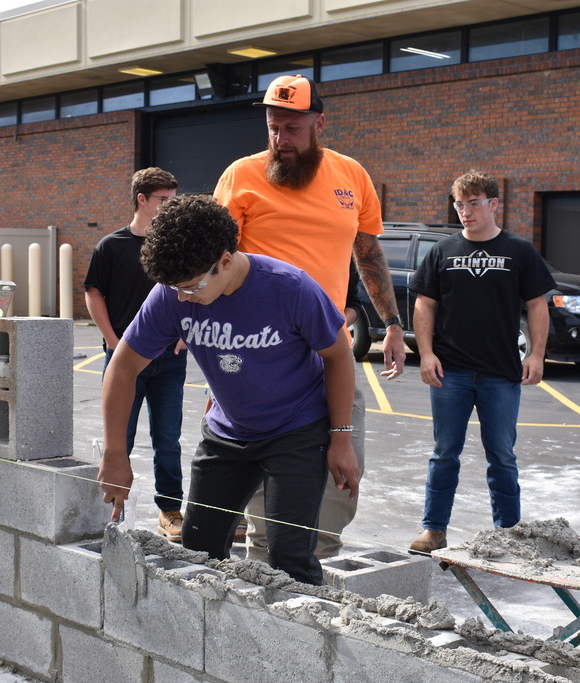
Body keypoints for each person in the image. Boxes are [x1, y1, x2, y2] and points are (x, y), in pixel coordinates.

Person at [97, 194, 359, 585]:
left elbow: (338, 357)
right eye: (175, 288)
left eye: (191, 286)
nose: (183, 297)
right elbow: (122, 368)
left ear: (224, 260)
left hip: (297, 432)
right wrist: (116, 453)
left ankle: (296, 641)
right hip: (228, 434)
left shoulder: (289, 288)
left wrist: (341, 438)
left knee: (290, 555)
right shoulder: (172, 293)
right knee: (196, 549)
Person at [213, 74, 403, 560]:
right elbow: (215, 259)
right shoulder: (241, 175)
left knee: (342, 469)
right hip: (257, 356)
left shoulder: (352, 176)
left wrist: (393, 325)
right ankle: (264, 560)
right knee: (263, 481)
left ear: (319, 123)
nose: (281, 139)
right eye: (273, 127)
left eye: (293, 128)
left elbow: (367, 251)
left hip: (328, 352)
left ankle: (319, 560)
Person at [407, 170, 555, 554]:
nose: (466, 212)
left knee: (502, 457)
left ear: (493, 204)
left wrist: (537, 355)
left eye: (474, 203)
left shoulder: (519, 251)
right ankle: (433, 529)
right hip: (450, 372)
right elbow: (425, 304)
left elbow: (538, 305)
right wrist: (425, 353)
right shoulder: (442, 251)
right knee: (444, 454)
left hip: (500, 374)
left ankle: (508, 534)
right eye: (459, 204)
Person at [83, 167, 187, 542]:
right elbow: (94, 293)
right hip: (125, 360)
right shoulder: (111, 246)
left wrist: (184, 335)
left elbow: (189, 290)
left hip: (170, 360)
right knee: (119, 439)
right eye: (164, 200)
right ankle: (112, 507)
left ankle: (170, 511)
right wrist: (112, 339)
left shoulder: (174, 248)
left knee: (168, 439)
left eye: (173, 200)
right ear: (142, 199)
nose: (169, 206)